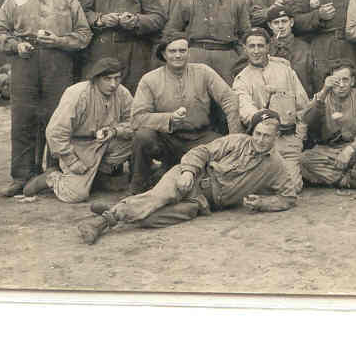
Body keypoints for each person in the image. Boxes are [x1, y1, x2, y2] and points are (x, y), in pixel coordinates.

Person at [76, 109, 296, 245]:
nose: (260, 139)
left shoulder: (276, 165)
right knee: (156, 199)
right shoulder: (236, 141)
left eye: (267, 136)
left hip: (200, 203)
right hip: (190, 177)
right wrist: (189, 171)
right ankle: (101, 222)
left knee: (151, 219)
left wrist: (263, 203)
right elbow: (202, 151)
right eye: (257, 133)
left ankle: (117, 208)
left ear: (276, 136)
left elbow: (288, 197)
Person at [0, 0, 93, 196]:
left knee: (57, 119)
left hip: (58, 64)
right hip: (25, 63)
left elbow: (84, 35)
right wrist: (17, 45)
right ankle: (22, 176)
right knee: (23, 119)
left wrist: (59, 41)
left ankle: (53, 173)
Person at [129, 33, 242, 194]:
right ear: (163, 54)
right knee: (143, 137)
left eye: (182, 50)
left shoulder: (203, 72)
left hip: (200, 137)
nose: (178, 55)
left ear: (188, 52)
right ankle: (138, 187)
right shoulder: (150, 80)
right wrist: (168, 119)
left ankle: (191, 183)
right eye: (172, 51)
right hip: (167, 140)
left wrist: (234, 137)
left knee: (224, 158)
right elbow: (137, 118)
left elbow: (229, 98)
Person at [22, 58, 133, 202]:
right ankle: (51, 178)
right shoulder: (78, 93)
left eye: (117, 78)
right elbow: (55, 132)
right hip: (80, 146)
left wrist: (115, 131)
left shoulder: (122, 92)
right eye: (107, 79)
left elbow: (134, 122)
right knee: (76, 195)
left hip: (107, 142)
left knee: (139, 138)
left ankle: (106, 178)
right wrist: (72, 161)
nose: (113, 84)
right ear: (96, 79)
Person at [233, 28, 310, 193]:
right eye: (251, 46)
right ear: (244, 49)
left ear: (268, 46)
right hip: (263, 144)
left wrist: (299, 137)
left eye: (260, 46)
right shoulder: (241, 80)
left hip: (289, 140)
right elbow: (246, 111)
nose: (256, 51)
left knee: (292, 187)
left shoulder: (285, 70)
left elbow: (303, 106)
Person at [300, 61, 356, 191]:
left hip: (355, 150)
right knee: (304, 160)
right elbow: (306, 119)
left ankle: (339, 178)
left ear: (352, 81)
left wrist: (350, 149)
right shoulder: (323, 97)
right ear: (328, 81)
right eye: (336, 81)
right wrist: (324, 91)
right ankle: (351, 181)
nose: (341, 85)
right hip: (329, 151)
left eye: (345, 80)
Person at [165, 0, 250, 85]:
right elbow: (171, 31)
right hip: (195, 55)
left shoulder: (237, 0)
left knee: (227, 98)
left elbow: (245, 33)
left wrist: (240, 59)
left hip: (227, 57)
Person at [265, 6, 315, 98]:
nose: (281, 26)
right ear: (270, 25)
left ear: (291, 22)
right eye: (276, 23)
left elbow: (315, 80)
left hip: (300, 100)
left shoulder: (305, 49)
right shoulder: (264, 48)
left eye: (284, 21)